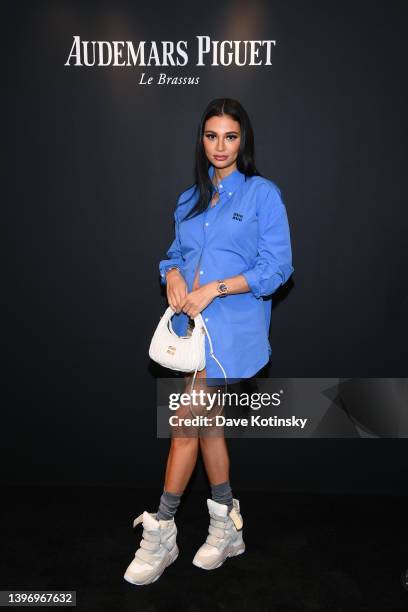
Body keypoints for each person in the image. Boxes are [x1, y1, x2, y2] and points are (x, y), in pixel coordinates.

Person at [124, 98, 294, 585]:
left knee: (183, 424)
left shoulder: (262, 194)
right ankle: (227, 525)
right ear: (201, 140)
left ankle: (162, 531)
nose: (220, 146)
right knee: (209, 428)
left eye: (231, 136)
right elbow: (173, 253)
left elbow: (277, 268)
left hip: (234, 336)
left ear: (244, 141)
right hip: (192, 336)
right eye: (212, 136)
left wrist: (214, 288)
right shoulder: (187, 199)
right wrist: (172, 273)